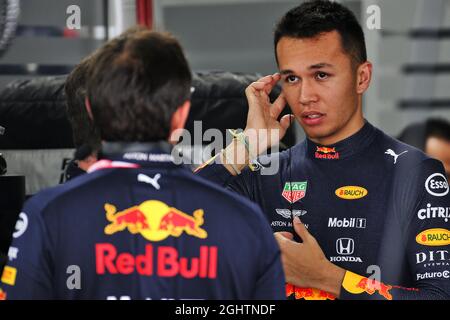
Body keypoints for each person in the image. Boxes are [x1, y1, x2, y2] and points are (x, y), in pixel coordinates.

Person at [0, 29, 285, 300]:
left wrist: (249, 144)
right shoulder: (244, 221)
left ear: (91, 110)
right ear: (181, 116)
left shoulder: (48, 215)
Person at [197, 0, 450, 300]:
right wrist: (249, 142)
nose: (305, 96)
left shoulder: (416, 174)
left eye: (321, 75)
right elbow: (178, 210)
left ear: (362, 77)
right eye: (292, 78)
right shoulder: (264, 175)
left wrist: (325, 277)